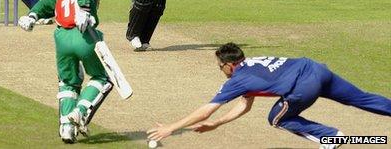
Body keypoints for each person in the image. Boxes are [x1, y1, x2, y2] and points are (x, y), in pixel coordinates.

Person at [147, 43, 391, 148]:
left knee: (277, 118)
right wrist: (218, 124)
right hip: (317, 69)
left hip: (303, 85)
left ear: (229, 65)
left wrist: (172, 127)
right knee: (362, 98)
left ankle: (330, 137)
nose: (220, 70)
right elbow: (245, 104)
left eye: (219, 66)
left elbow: (207, 108)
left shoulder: (237, 79)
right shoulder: (251, 64)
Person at [18, 0, 115, 144]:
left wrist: (32, 16)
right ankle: (80, 111)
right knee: (102, 79)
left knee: (68, 82)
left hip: (61, 38)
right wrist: (85, 9)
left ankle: (67, 128)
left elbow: (45, 4)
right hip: (84, 36)